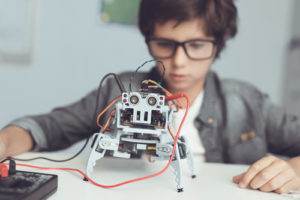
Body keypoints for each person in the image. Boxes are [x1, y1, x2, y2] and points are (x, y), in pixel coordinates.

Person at [1, 0, 300, 194]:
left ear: (219, 43)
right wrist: (4, 142)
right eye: (165, 44)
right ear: (148, 39)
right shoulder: (118, 91)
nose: (179, 61)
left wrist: (292, 170)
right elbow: (46, 127)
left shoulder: (247, 104)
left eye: (196, 45)